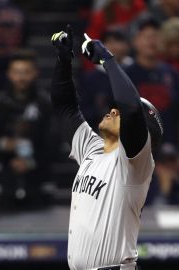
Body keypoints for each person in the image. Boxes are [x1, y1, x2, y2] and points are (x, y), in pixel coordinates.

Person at [51, 25, 163, 270]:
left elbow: (131, 107)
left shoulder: (135, 164)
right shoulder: (92, 148)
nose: (113, 110)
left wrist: (107, 60)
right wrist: (63, 61)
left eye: (119, 112)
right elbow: (65, 108)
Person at [0, 50, 52, 208]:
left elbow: (54, 141)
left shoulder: (45, 105)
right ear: (9, 74)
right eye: (17, 72)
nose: (21, 78)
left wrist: (31, 162)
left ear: (35, 73)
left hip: (37, 184)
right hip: (2, 183)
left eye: (26, 72)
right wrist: (5, 145)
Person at [125, 17, 179, 154]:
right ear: (135, 41)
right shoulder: (124, 75)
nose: (151, 41)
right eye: (146, 37)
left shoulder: (173, 75)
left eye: (155, 36)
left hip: (169, 152)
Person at [80, 29, 133, 127]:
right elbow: (84, 109)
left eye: (118, 41)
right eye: (108, 42)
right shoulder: (91, 77)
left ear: (127, 45)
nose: (114, 46)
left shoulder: (134, 70)